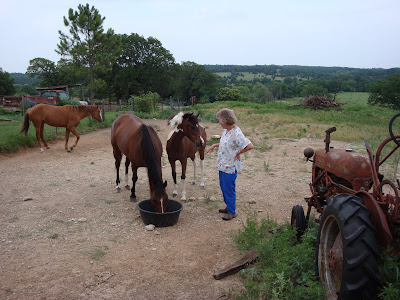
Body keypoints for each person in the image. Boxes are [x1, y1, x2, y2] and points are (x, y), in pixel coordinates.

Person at [207, 108, 254, 221]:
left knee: (229, 188)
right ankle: (228, 207)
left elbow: (250, 146)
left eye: (220, 121)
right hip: (223, 165)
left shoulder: (237, 133)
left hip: (230, 166)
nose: (219, 123)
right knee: (224, 187)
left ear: (226, 121)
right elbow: (225, 143)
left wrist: (239, 152)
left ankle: (232, 212)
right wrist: (214, 145)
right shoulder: (226, 131)